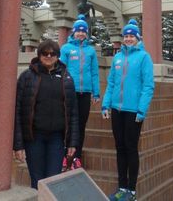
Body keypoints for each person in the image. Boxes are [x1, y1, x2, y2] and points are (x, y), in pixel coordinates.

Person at [13, 39, 79, 189]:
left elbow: (73, 113)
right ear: (39, 54)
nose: (49, 56)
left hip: (56, 137)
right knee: (37, 180)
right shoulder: (27, 77)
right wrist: (18, 145)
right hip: (34, 137)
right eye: (45, 53)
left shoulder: (66, 78)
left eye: (53, 53)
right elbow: (17, 111)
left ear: (58, 56)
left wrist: (72, 143)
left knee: (53, 180)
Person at [102, 19, 154, 201]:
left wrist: (142, 110)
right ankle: (121, 187)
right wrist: (105, 104)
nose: (129, 38)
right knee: (120, 147)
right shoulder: (117, 58)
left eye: (132, 35)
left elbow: (148, 86)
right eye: (126, 35)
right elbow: (111, 83)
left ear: (137, 37)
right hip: (116, 109)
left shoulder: (144, 57)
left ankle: (131, 190)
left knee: (131, 148)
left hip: (134, 111)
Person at [59, 14, 100, 169]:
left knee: (81, 125)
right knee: (68, 124)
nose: (81, 34)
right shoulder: (66, 49)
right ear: (73, 32)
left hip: (85, 93)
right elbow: (61, 70)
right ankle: (64, 156)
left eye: (84, 31)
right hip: (69, 92)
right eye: (78, 31)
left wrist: (96, 93)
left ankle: (76, 157)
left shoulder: (90, 51)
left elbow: (95, 72)